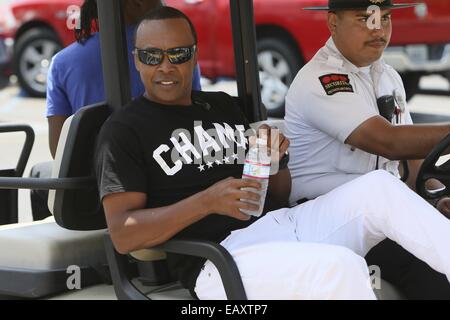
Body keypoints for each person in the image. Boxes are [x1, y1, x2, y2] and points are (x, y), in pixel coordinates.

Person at [96, 6, 450, 300]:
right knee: (339, 265)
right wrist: (207, 201)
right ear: (137, 60)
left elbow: (276, 193)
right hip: (214, 260)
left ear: (194, 55)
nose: (165, 66)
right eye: (152, 56)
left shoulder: (223, 107)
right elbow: (124, 235)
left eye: (178, 54)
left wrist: (274, 162)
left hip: (274, 227)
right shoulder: (124, 130)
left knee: (379, 188)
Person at [285, 0, 450, 299]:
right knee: (433, 270)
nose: (378, 29)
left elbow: (411, 159)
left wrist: (437, 197)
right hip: (328, 223)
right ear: (332, 23)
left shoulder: (387, 76)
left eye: (385, 18)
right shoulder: (322, 79)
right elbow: (388, 142)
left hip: (380, 215)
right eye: (364, 18)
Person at [30, 0, 202, 221]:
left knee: (38, 173)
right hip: (173, 176)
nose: (163, 4)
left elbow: (60, 152)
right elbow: (193, 117)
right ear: (134, 4)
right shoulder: (180, 57)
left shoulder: (63, 62)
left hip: (91, 193)